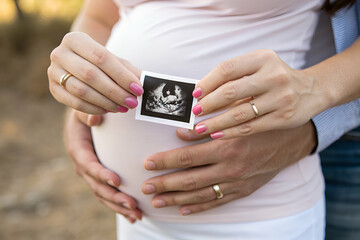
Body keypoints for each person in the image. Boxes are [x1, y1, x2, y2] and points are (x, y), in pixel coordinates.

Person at [48, 0, 360, 239]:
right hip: (139, 218)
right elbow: (100, 17)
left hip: (259, 213)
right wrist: (78, 84)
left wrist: (314, 92)